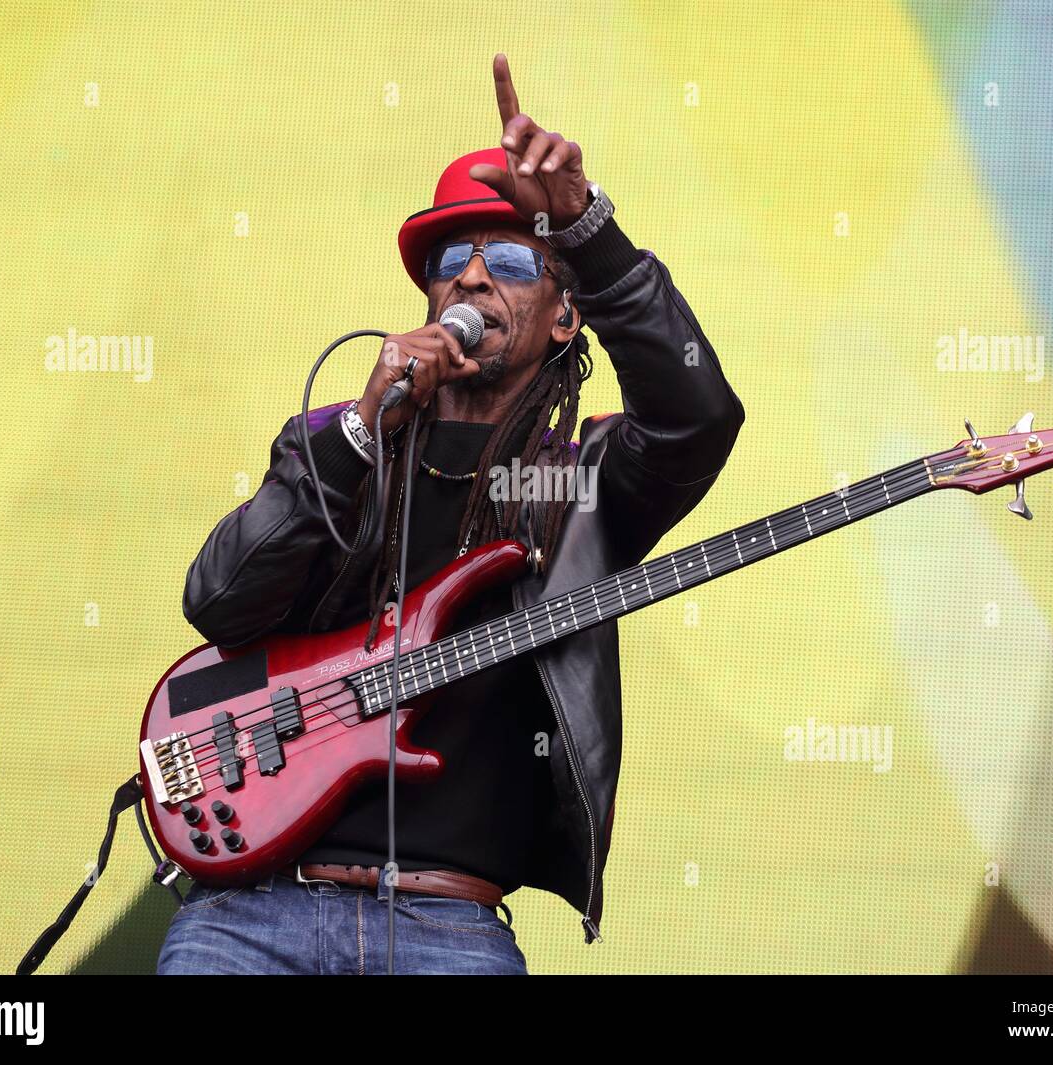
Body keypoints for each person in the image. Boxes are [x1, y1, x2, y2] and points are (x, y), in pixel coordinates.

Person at [158, 54, 744, 975]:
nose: (471, 279)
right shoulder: (339, 443)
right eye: (449, 262)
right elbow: (218, 599)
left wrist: (588, 228)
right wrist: (358, 432)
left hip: (448, 931)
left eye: (509, 259)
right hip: (252, 910)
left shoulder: (579, 484)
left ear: (564, 316)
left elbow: (698, 417)